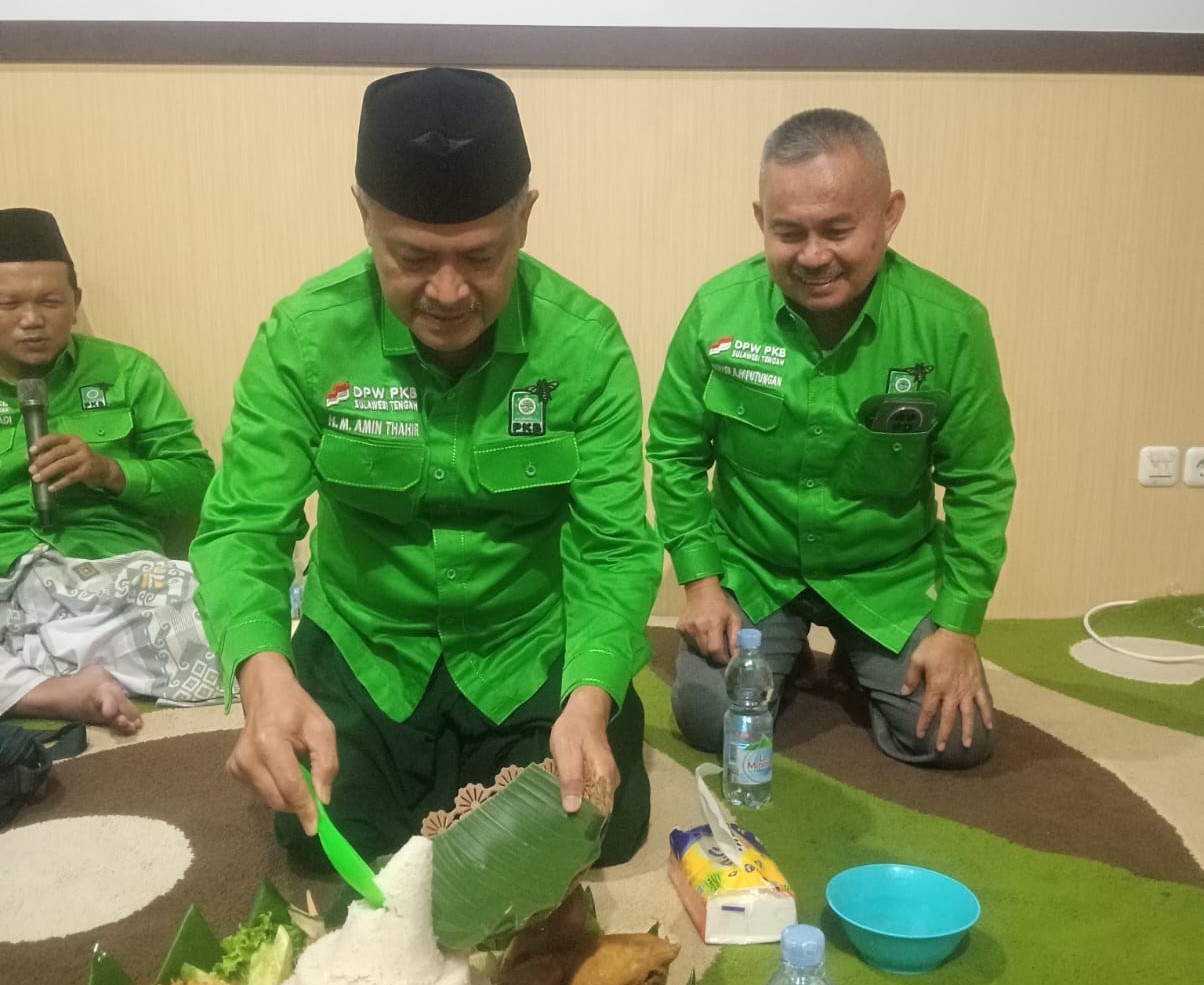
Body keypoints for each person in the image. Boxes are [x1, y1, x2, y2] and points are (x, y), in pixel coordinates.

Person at [192, 67, 661, 868]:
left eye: (481, 256)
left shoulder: (585, 344)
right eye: (411, 257)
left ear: (525, 219)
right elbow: (241, 527)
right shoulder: (304, 338)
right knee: (318, 836)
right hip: (368, 643)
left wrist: (588, 701)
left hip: (524, 643)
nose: (447, 291)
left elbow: (613, 548)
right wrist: (262, 676)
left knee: (595, 831)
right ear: (364, 217)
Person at [646, 109, 1016, 768]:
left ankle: (855, 661)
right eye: (788, 232)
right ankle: (785, 658)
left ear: (889, 215)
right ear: (761, 220)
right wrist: (701, 582)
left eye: (838, 230)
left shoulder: (951, 326)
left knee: (956, 739)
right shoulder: (717, 312)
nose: (813, 256)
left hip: (886, 577)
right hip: (755, 568)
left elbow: (981, 481)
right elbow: (675, 452)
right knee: (712, 720)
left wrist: (958, 624)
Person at [0, 207, 220, 734]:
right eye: (9, 304)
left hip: (116, 578)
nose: (31, 319)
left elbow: (198, 484)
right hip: (5, 577)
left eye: (50, 301)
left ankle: (38, 677)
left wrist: (109, 472)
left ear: (75, 303)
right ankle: (62, 688)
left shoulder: (127, 372)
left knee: (230, 616)